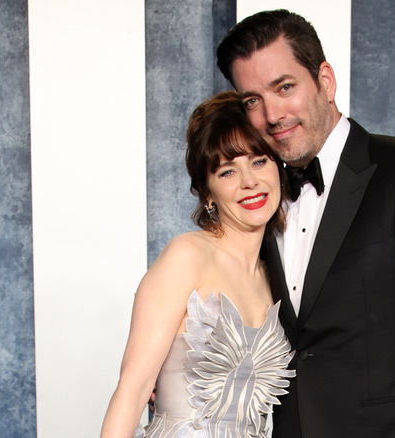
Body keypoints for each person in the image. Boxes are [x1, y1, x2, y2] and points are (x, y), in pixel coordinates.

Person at [216, 9, 395, 438]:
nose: (271, 115)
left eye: (285, 87)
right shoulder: (258, 198)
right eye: (252, 100)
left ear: (325, 81)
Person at [100, 91, 295, 438]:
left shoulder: (279, 276)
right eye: (227, 171)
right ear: (207, 193)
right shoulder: (186, 256)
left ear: (279, 169)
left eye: (259, 161)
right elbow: (132, 390)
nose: (249, 181)